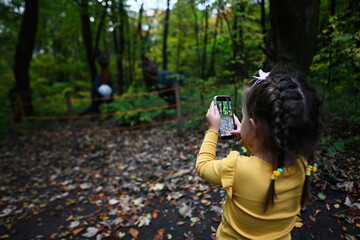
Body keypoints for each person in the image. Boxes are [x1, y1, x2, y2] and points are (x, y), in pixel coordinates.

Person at [196, 70, 322, 239]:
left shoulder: (237, 168)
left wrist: (212, 130)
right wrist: (249, 137)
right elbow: (267, 156)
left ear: (254, 127)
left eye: (244, 115)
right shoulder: (303, 166)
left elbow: (203, 166)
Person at [80, 50, 114, 116]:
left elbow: (112, 85)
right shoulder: (98, 79)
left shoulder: (108, 78)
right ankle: (85, 115)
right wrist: (100, 94)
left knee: (110, 102)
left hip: (106, 95)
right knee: (94, 107)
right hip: (97, 96)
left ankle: (110, 113)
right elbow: (96, 88)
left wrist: (110, 92)